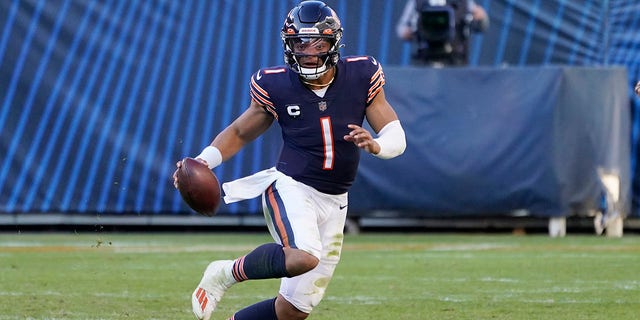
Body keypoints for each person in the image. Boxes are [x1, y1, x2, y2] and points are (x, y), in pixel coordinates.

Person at [173, 1, 406, 319]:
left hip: (336, 199)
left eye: (317, 42)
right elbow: (240, 132)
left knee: (293, 310)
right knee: (304, 256)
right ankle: (224, 273)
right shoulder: (276, 84)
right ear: (288, 45)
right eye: (300, 43)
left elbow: (397, 137)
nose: (308, 51)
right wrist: (200, 163)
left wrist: (376, 146)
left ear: (334, 42)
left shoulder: (362, 74)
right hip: (291, 186)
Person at [397, 0, 489, 66]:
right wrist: (411, 31)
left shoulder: (465, 2)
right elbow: (401, 29)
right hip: (425, 59)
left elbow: (481, 25)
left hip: (455, 61)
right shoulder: (417, 2)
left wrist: (482, 17)